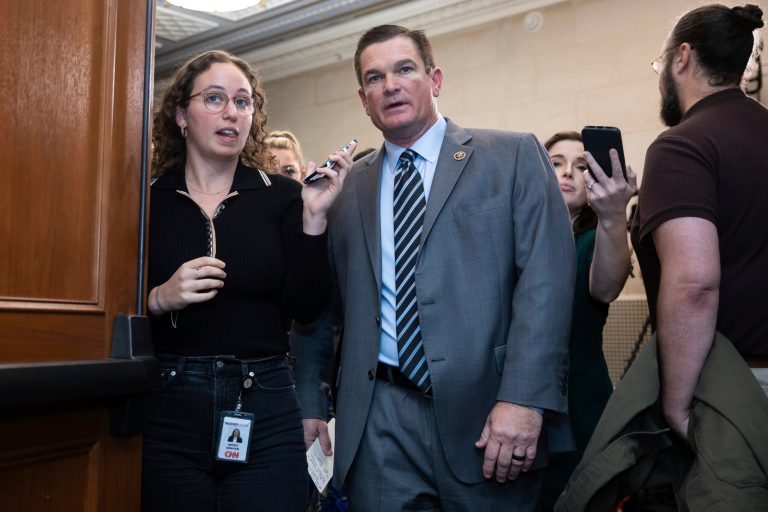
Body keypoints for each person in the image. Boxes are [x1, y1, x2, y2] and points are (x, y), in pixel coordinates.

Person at [298, 24, 575, 510]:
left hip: (488, 414)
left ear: (435, 79)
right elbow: (321, 305)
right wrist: (310, 401)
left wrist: (524, 399)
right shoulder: (344, 188)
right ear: (364, 101)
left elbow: (546, 285)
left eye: (405, 69)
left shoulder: (511, 156)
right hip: (378, 421)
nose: (391, 85)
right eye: (375, 77)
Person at [143, 49, 353, 511]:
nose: (231, 112)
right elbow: (107, 310)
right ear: (181, 114)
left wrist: (315, 220)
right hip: (169, 402)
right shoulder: (145, 201)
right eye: (214, 98)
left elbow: (308, 309)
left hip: (265, 399)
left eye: (243, 102)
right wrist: (158, 298)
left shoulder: (283, 196)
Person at [631, 3, 768, 442]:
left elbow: (694, 284)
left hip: (736, 387)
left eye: (660, 63)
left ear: (682, 57)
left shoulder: (682, 146)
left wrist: (678, 403)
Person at [540, 131, 636, 508]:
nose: (567, 172)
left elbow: (606, 288)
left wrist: (614, 216)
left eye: (581, 166)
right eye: (556, 163)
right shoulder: (515, 239)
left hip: (580, 406)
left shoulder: (596, 240)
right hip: (520, 407)